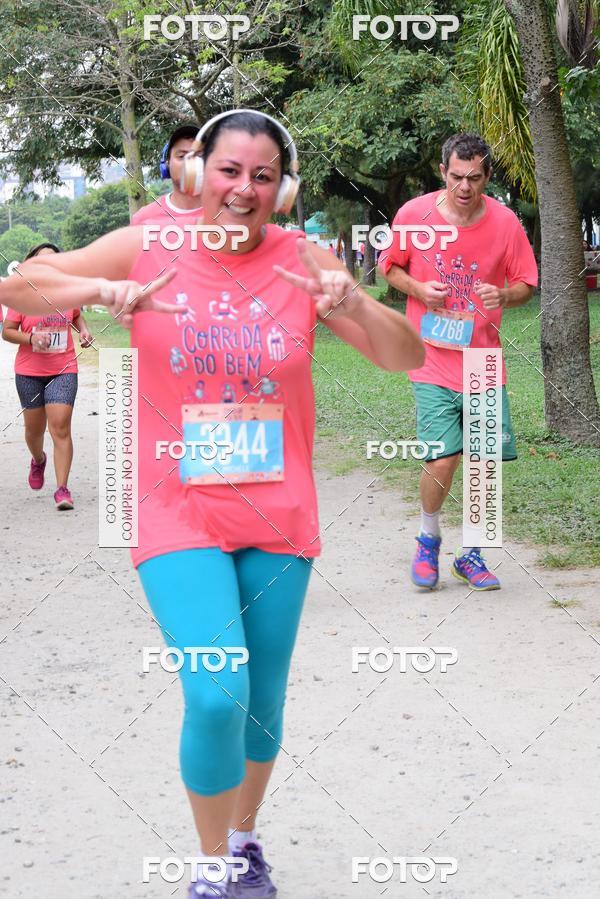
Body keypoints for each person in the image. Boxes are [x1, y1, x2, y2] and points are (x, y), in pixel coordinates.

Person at [0, 109, 425, 898]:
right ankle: (210, 866)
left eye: (263, 176)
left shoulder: (303, 259)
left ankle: (244, 838)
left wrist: (357, 302)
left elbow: (406, 356)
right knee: (215, 687)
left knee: (260, 700)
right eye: (230, 170)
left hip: (277, 508)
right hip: (176, 507)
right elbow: (17, 284)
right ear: (197, 174)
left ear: (283, 189)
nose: (244, 189)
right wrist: (100, 288)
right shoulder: (149, 243)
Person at [379, 133, 538, 591]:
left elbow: (526, 283)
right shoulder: (414, 215)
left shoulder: (505, 223)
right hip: (430, 356)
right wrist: (418, 290)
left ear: (487, 177)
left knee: (484, 462)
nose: (464, 186)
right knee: (443, 457)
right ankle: (428, 539)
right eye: (456, 176)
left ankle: (471, 555)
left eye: (474, 177)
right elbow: (390, 266)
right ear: (442, 172)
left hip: (482, 360)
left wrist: (504, 294)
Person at [1, 242, 93, 510]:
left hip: (63, 369)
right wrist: (31, 339)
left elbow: (77, 316)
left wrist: (84, 331)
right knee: (34, 431)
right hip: (29, 373)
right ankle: (38, 459)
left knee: (60, 427)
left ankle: (62, 489)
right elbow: (7, 331)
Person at [131, 124, 204, 225]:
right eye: (182, 156)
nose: (191, 162)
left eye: (199, 156)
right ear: (167, 165)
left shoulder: (225, 214)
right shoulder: (143, 219)